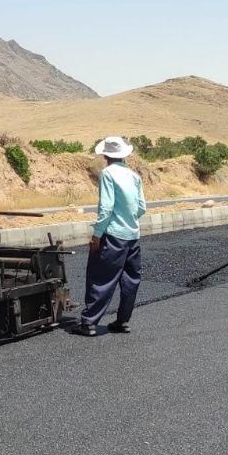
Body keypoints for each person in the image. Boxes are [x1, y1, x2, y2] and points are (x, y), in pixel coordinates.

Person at [78, 135, 147, 337]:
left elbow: (106, 208)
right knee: (131, 279)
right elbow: (141, 207)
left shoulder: (108, 174)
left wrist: (97, 234)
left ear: (106, 155)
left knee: (101, 278)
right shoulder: (134, 176)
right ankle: (123, 321)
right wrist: (129, 219)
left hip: (113, 236)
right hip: (133, 235)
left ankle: (89, 323)